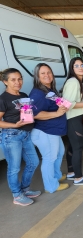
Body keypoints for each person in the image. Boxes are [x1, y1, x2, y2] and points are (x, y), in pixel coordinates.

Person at [0, 68, 41, 206]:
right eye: (13, 79)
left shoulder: (23, 95)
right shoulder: (3, 99)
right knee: (14, 168)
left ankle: (25, 189)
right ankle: (17, 196)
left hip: (26, 135)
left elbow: (26, 112)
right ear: (5, 81)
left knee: (33, 162)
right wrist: (14, 124)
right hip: (11, 136)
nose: (18, 82)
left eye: (20, 79)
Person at [29, 63, 69, 193]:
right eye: (43, 73)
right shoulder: (38, 93)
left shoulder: (49, 90)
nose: (47, 75)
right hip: (44, 132)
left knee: (59, 153)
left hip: (53, 131)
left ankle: (56, 176)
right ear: (37, 76)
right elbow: (35, 114)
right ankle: (51, 186)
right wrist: (56, 113)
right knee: (49, 158)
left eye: (49, 72)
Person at [62, 57, 83, 186]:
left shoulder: (77, 81)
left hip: (73, 118)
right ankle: (78, 178)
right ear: (72, 68)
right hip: (73, 118)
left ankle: (71, 172)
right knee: (78, 147)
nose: (80, 67)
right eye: (76, 66)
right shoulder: (73, 82)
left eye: (82, 65)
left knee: (72, 146)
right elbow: (68, 104)